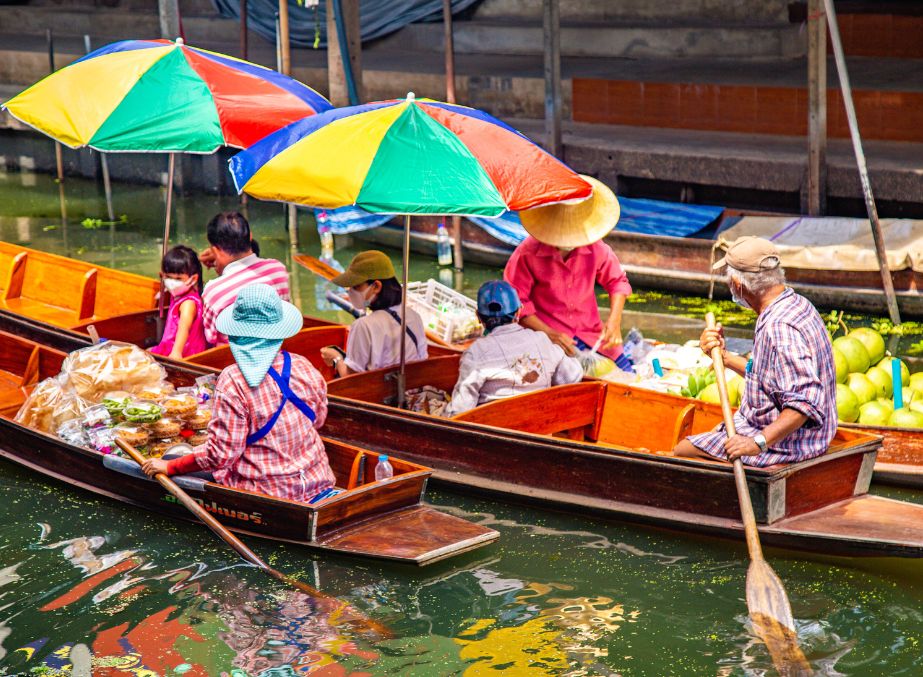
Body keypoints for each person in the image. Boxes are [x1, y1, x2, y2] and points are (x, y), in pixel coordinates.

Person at [142, 284, 336, 503]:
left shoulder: (234, 380)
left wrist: (170, 465)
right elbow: (317, 420)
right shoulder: (303, 365)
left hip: (266, 492)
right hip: (317, 478)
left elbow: (220, 456)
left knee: (170, 455)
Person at [673, 236, 837, 466]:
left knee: (682, 451)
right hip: (797, 434)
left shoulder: (778, 327)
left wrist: (758, 442)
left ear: (738, 286)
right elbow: (767, 378)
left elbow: (805, 402)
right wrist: (724, 356)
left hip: (793, 443)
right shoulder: (796, 303)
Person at [504, 175, 633, 369]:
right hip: (545, 337)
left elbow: (618, 282)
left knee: (626, 375)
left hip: (592, 335)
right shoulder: (527, 253)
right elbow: (516, 302)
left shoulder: (595, 246)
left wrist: (614, 321)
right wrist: (549, 333)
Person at [445, 280, 583, 417]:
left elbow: (460, 410)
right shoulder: (542, 340)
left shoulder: (476, 352)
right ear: (518, 312)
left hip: (493, 433)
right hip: (540, 427)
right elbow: (572, 376)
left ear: (478, 317)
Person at [319, 251, 427, 377]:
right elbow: (422, 359)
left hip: (381, 394)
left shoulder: (363, 325)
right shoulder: (414, 316)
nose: (350, 292)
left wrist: (336, 358)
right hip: (414, 387)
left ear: (376, 286)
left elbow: (351, 377)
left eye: (356, 287)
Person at [199, 211, 291, 346]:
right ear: (250, 237)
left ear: (215, 249)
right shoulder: (277, 270)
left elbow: (211, 338)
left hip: (232, 362)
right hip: (275, 350)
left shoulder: (213, 291)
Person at [150, 245, 209, 360]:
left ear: (193, 279)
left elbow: (184, 328)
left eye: (178, 279)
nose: (172, 282)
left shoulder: (188, 304)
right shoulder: (179, 294)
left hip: (184, 352)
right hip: (169, 346)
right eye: (168, 277)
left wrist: (177, 352)